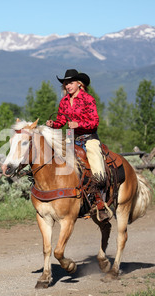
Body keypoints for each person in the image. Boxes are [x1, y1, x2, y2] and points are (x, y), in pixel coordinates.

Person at [46, 69, 107, 201]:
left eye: (70, 83)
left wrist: (78, 124)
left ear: (79, 84)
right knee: (57, 161)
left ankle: (101, 197)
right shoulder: (64, 101)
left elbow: (94, 121)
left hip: (88, 137)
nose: (67, 86)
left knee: (96, 161)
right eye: (66, 84)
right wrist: (53, 124)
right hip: (70, 136)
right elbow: (61, 121)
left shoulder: (88, 99)